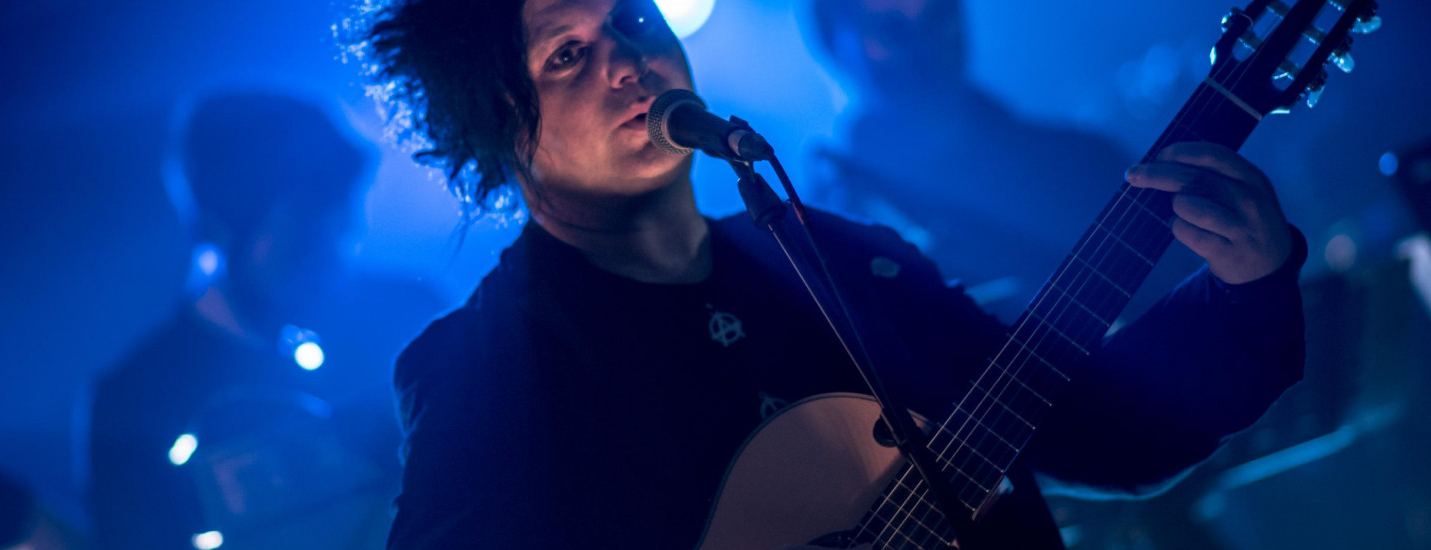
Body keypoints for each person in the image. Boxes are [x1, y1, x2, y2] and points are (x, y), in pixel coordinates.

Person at [355, 0, 1306, 547]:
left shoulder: (840, 260)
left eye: (634, 20)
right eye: (569, 55)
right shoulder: (490, 368)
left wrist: (1246, 292)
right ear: (499, 126)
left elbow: (1097, 433)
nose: (629, 62)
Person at [88, 91, 442, 550]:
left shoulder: (409, 319)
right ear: (221, 225)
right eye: (303, 222)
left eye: (338, 210)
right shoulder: (134, 401)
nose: (336, 237)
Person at [801, 0, 1202, 321]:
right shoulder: (819, 234)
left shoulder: (1087, 162)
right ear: (834, 41)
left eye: (938, 15)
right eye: (890, 27)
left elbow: (1193, 311)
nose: (922, 43)